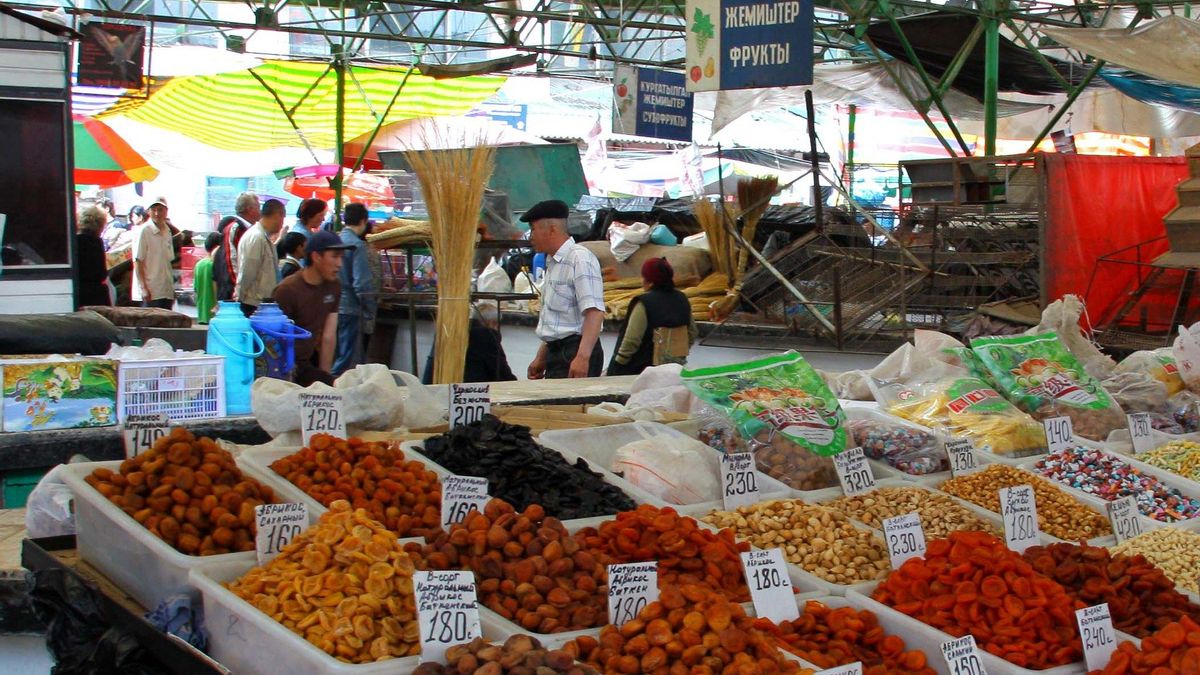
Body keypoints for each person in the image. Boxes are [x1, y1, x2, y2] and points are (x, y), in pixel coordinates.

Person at [523, 200, 605, 379]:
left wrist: (582, 357)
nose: (530, 236)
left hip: (575, 351)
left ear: (551, 229)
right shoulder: (552, 262)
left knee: (569, 407)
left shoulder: (580, 259)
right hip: (558, 350)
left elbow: (594, 312)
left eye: (533, 229)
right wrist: (541, 356)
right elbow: (558, 319)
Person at [274, 231, 351, 386]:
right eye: (335, 256)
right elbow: (273, 341)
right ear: (316, 257)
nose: (340, 264)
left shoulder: (334, 286)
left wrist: (324, 380)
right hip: (283, 367)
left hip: (307, 362)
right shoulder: (287, 290)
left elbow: (329, 336)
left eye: (341, 257)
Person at [607, 257, 696, 376]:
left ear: (650, 281)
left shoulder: (645, 303)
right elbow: (692, 332)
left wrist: (617, 365)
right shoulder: (682, 299)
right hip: (673, 371)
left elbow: (632, 340)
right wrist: (677, 355)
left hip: (642, 372)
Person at [421, 302, 516, 384]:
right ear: (492, 323)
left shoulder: (448, 331)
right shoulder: (486, 336)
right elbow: (500, 372)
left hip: (437, 386)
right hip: (472, 392)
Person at [332, 203, 377, 375]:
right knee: (348, 361)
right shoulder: (356, 246)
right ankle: (336, 394)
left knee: (333, 354)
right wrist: (370, 308)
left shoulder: (335, 241)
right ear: (363, 221)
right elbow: (361, 284)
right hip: (350, 308)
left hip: (332, 307)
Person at [236, 198, 284, 316]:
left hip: (262, 303)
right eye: (283, 217)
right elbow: (247, 272)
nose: (282, 223)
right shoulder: (256, 237)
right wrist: (239, 297)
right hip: (253, 304)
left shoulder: (263, 237)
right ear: (278, 215)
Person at [132, 197, 176, 309]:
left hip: (165, 290)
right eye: (154, 210)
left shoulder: (167, 231)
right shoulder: (144, 231)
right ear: (149, 212)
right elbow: (138, 261)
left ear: (166, 211)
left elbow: (168, 261)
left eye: (160, 209)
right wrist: (143, 288)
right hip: (151, 292)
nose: (157, 213)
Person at [75, 205, 111, 308]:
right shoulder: (97, 242)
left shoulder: (75, 241)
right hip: (97, 293)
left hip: (79, 291)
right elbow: (102, 273)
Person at [193, 232, 221, 324]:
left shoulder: (199, 264)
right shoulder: (216, 265)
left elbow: (196, 289)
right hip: (215, 314)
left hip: (202, 314)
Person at [212, 216, 240, 301]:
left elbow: (214, 279)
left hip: (222, 297)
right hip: (231, 297)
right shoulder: (227, 251)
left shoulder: (218, 252)